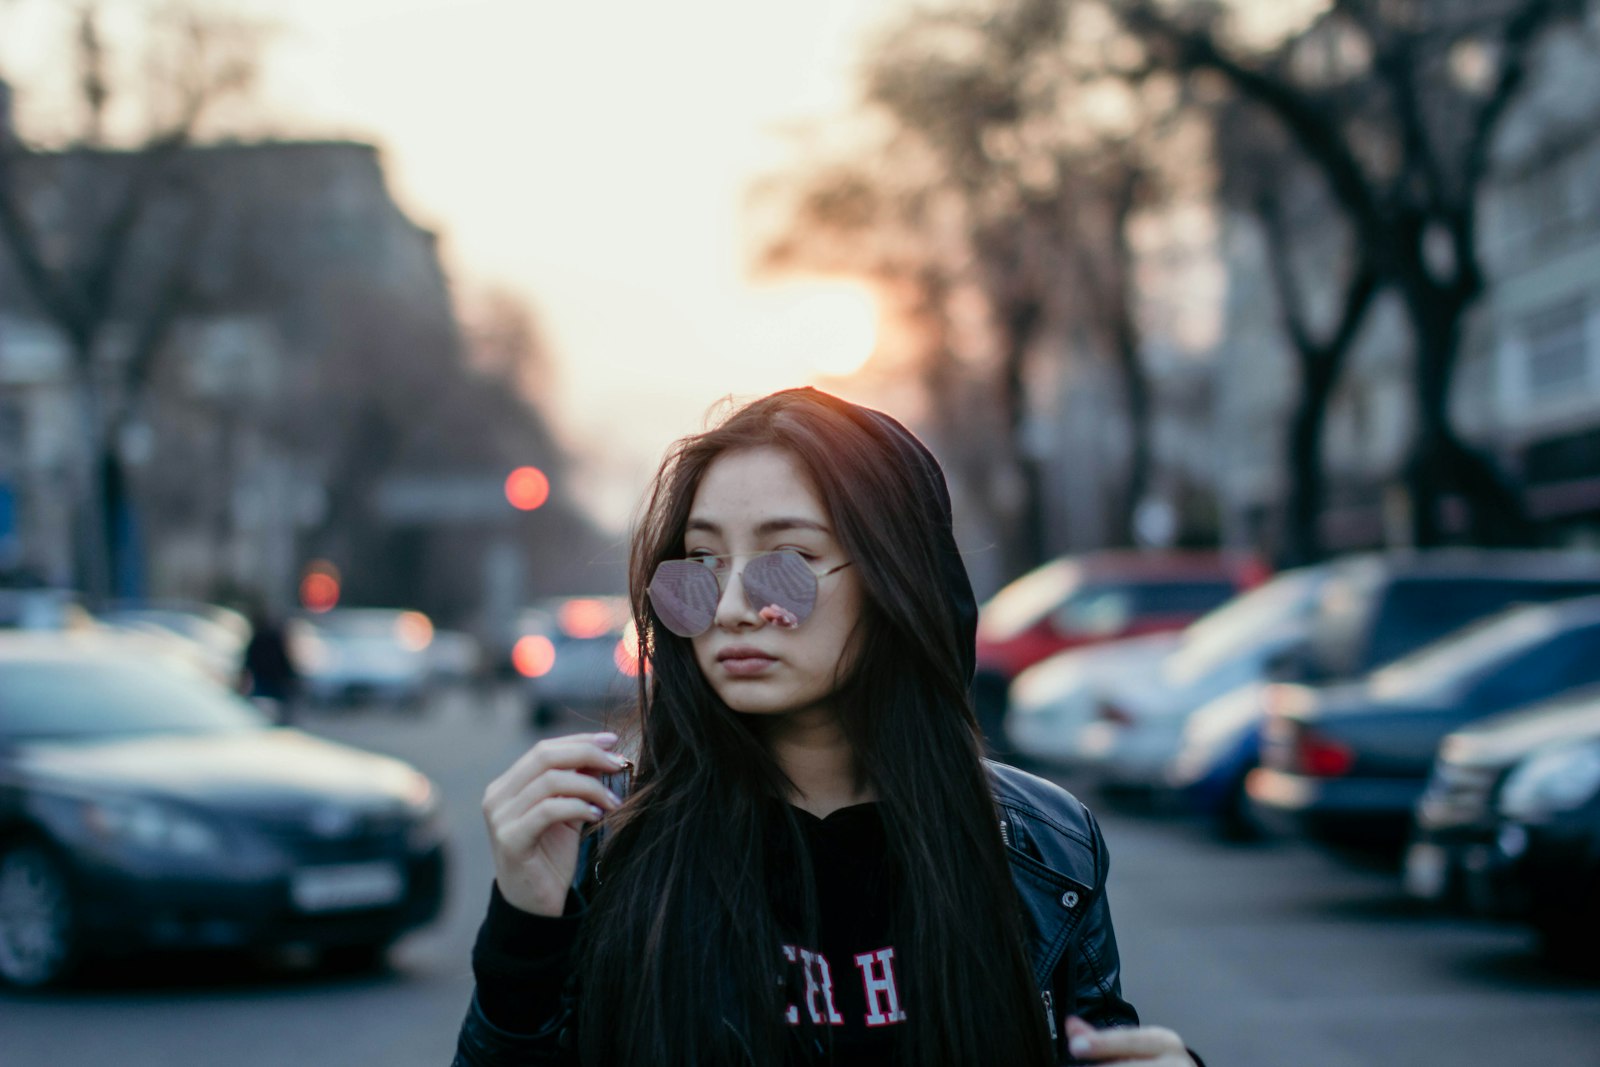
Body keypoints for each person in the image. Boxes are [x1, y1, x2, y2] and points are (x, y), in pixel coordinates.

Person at [453, 388, 1201, 1066]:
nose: (732, 606)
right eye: (701, 563)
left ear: (894, 576)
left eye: (787, 561)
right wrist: (522, 931)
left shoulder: (1046, 847)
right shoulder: (605, 839)